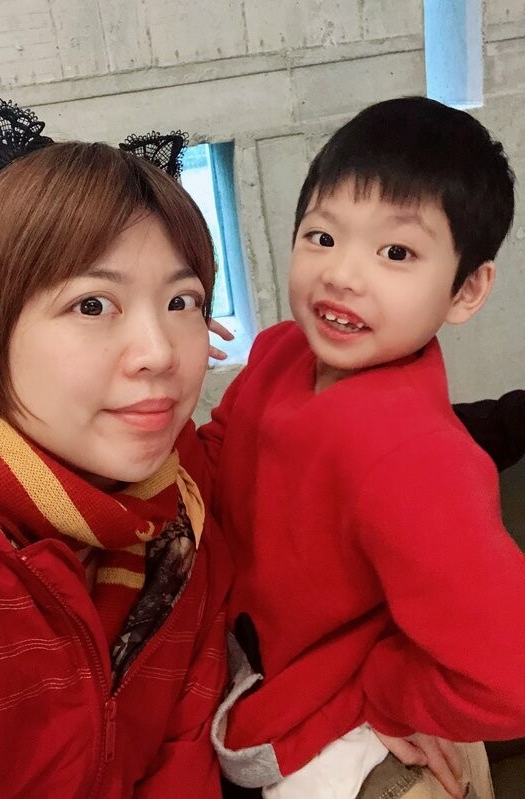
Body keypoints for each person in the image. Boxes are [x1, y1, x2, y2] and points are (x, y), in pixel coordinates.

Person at [199, 97, 525, 799]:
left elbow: (510, 676)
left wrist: (386, 692)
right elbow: (217, 456)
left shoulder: (422, 461)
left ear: (466, 290)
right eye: (321, 236)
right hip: (240, 652)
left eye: (396, 252)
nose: (342, 274)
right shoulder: (281, 350)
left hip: (318, 731)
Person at [0, 93, 231, 798]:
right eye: (92, 304)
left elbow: (183, 750)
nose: (160, 352)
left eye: (181, 302)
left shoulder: (178, 518)